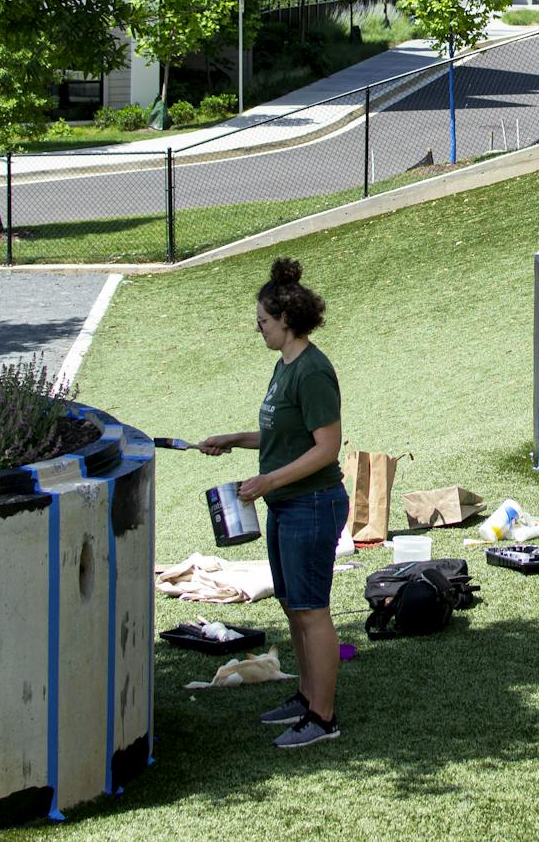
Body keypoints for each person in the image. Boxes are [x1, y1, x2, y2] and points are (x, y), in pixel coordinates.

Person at [198, 257, 348, 746]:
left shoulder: (313, 372)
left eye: (263, 320)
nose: (258, 328)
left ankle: (322, 718)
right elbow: (281, 434)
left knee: (312, 609)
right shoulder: (283, 367)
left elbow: (326, 446)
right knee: (292, 605)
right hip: (286, 505)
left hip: (313, 504)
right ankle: (305, 698)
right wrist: (234, 438)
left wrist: (266, 482)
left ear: (286, 320)